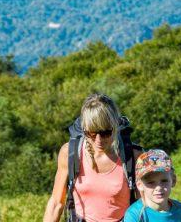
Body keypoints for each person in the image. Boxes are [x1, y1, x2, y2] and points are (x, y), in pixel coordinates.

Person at [43, 93, 136, 222]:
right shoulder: (70, 152)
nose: (98, 140)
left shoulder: (132, 155)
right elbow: (56, 203)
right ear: (84, 128)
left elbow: (146, 204)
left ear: (116, 127)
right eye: (91, 133)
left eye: (106, 133)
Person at [123, 150, 181, 222]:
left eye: (164, 181)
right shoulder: (134, 215)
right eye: (151, 182)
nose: (158, 188)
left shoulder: (179, 209)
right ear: (140, 185)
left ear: (173, 180)